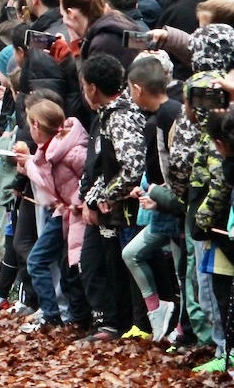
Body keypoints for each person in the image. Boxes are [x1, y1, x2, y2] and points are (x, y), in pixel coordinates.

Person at [75, 54, 146, 342]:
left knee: (114, 266)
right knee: (92, 263)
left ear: (93, 88)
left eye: (83, 87)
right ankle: (106, 323)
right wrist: (89, 197)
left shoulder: (122, 117)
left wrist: (102, 197)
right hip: (104, 204)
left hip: (126, 209)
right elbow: (101, 166)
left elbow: (132, 168)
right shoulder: (104, 115)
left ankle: (118, 325)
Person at [119, 55, 188, 341]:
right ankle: (159, 311)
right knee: (132, 253)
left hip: (176, 209)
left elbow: (176, 170)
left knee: (185, 274)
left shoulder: (168, 116)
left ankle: (185, 331)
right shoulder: (160, 116)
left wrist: (157, 194)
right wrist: (150, 190)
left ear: (137, 89)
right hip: (164, 205)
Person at [16, 93, 89, 334]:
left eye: (30, 124)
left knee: (45, 262)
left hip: (74, 214)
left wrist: (78, 203)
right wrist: (27, 164)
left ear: (36, 126)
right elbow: (46, 180)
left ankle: (57, 315)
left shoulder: (71, 151)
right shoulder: (46, 150)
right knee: (56, 264)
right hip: (63, 213)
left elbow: (89, 178)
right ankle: (59, 315)